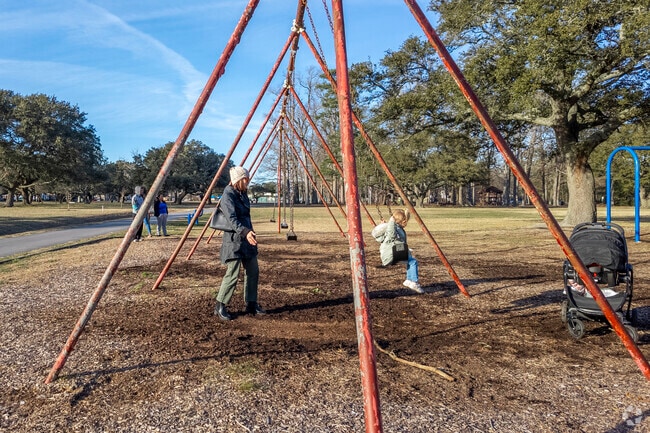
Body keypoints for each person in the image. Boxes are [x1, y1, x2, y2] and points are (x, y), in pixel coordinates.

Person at [214, 166, 266, 321]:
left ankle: (251, 303)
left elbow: (246, 217)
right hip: (234, 240)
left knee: (253, 270)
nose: (247, 182)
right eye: (245, 179)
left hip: (247, 238)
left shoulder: (243, 194)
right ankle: (220, 304)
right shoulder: (228, 194)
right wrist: (245, 232)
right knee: (233, 273)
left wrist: (250, 233)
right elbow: (232, 218)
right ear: (237, 179)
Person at [379, 209, 424, 294]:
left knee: (410, 260)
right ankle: (413, 281)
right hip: (391, 255)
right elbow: (391, 233)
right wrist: (390, 222)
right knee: (413, 262)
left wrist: (384, 224)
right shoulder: (393, 229)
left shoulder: (394, 228)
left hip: (389, 254)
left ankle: (408, 280)